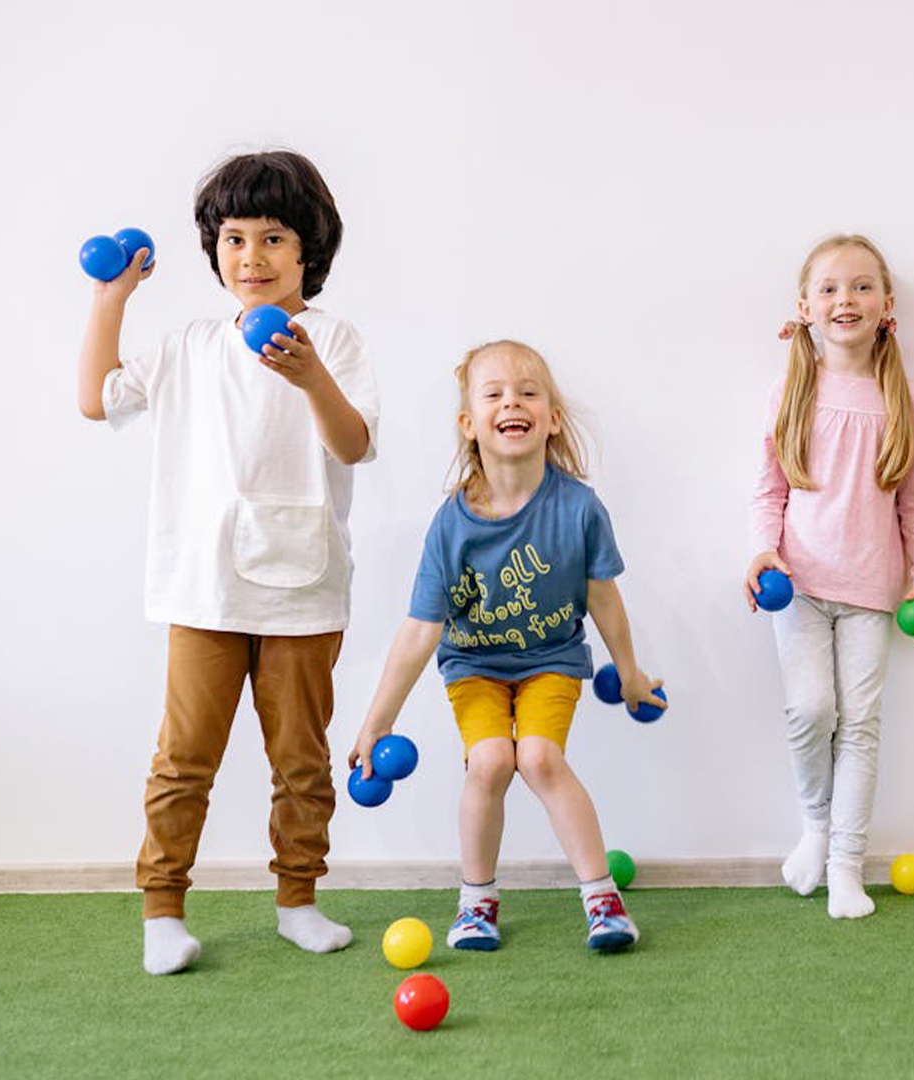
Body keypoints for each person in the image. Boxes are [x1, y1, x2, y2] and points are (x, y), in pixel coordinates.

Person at [77, 150, 377, 975]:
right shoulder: (187, 346)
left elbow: (354, 443)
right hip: (203, 589)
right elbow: (95, 396)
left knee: (302, 761)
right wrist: (113, 297)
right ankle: (162, 913)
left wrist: (310, 375)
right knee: (184, 758)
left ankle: (298, 901)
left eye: (274, 238)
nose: (252, 257)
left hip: (305, 588)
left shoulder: (335, 341)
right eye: (235, 238)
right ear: (213, 249)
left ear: (309, 249)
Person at [352, 340, 661, 952]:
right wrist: (374, 722)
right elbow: (421, 630)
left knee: (540, 759)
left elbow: (604, 599)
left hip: (552, 660)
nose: (511, 402)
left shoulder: (578, 508)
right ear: (470, 424)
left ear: (551, 419)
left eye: (528, 392)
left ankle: (603, 900)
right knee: (491, 761)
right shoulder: (453, 522)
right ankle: (476, 905)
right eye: (493, 394)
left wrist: (630, 674)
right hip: (475, 666)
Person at [746, 235, 914, 919]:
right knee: (811, 711)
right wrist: (761, 554)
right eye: (829, 289)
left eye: (861, 287)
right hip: (796, 584)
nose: (845, 300)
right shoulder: (791, 387)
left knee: (860, 723)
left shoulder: (904, 397)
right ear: (804, 307)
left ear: (887, 305)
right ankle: (817, 829)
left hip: (871, 590)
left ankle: (846, 867)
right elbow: (768, 492)